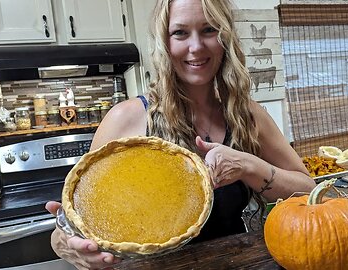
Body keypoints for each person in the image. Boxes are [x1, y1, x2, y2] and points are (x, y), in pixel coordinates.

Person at [45, 0, 315, 268]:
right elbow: (67, 229)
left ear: (225, 39)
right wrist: (67, 246)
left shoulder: (248, 116)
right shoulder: (126, 119)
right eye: (180, 33)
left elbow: (308, 191)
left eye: (209, 30)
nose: (196, 47)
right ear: (164, 42)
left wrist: (248, 166)